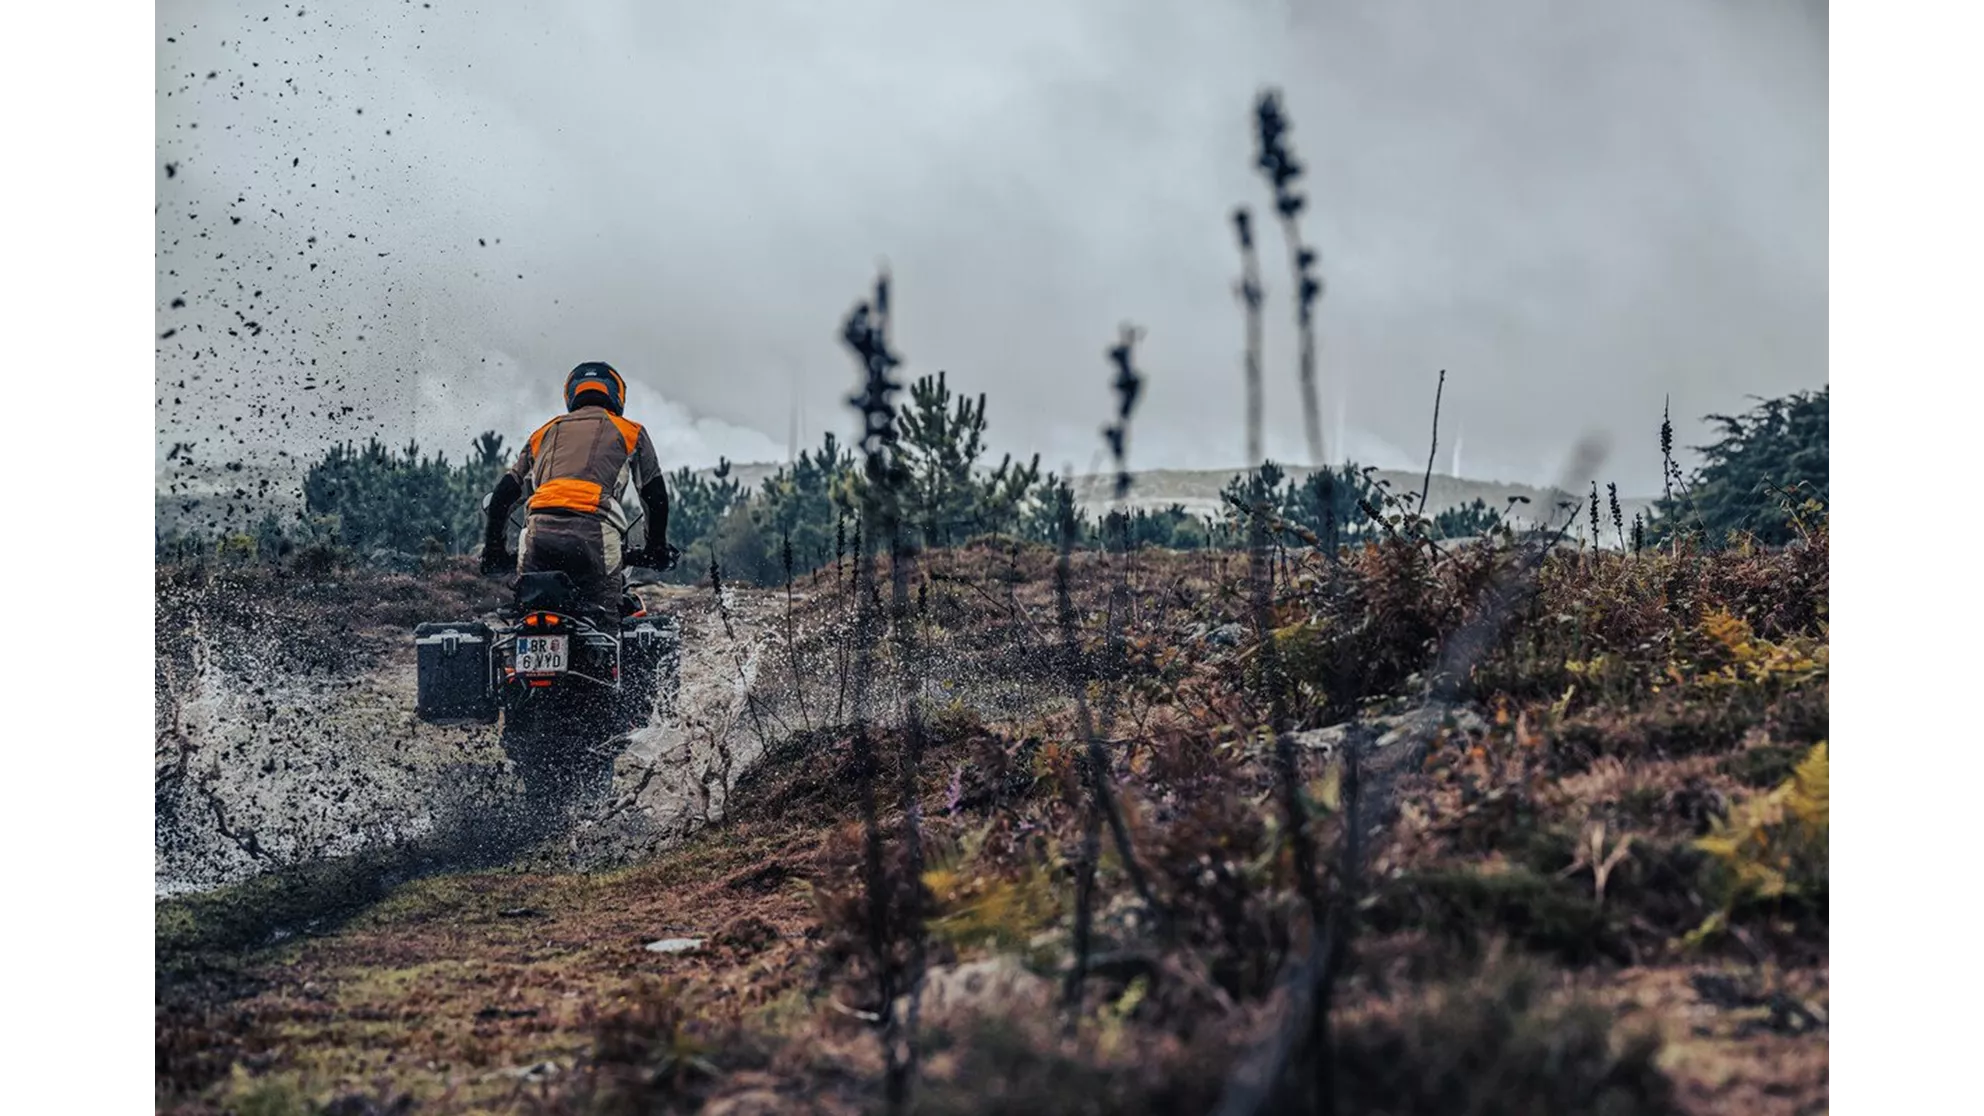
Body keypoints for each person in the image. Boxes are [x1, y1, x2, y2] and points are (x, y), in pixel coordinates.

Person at [480, 361, 672, 616]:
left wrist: (494, 550)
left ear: (571, 395)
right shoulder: (630, 431)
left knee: (529, 616)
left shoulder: (543, 433)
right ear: (617, 395)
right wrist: (656, 549)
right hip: (596, 537)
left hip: (538, 536)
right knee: (605, 620)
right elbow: (655, 496)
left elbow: (503, 496)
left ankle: (520, 654)